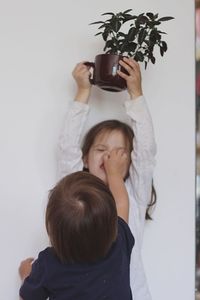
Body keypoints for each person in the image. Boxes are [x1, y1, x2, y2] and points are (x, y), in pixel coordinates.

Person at [57, 57, 157, 300]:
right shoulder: (76, 194)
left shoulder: (135, 195)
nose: (109, 157)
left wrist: (136, 92)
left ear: (130, 162)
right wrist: (83, 91)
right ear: (85, 158)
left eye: (119, 152)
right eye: (101, 150)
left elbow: (146, 150)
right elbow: (66, 148)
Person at [19, 169, 135, 300]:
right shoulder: (120, 240)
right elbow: (122, 202)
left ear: (53, 234)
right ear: (113, 223)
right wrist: (114, 171)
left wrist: (26, 275)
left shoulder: (48, 265)